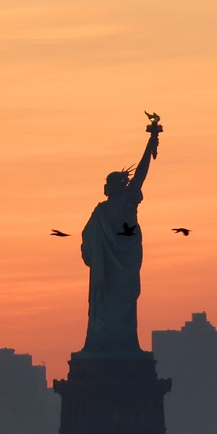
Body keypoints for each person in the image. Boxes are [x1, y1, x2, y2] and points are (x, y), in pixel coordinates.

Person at [81, 117, 162, 355]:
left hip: (115, 270)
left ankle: (112, 347)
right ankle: (113, 346)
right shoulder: (102, 212)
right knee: (117, 307)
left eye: (108, 182)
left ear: (115, 186)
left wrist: (152, 140)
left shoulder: (122, 203)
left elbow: (142, 172)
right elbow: (88, 238)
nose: (104, 186)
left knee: (116, 307)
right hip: (111, 270)